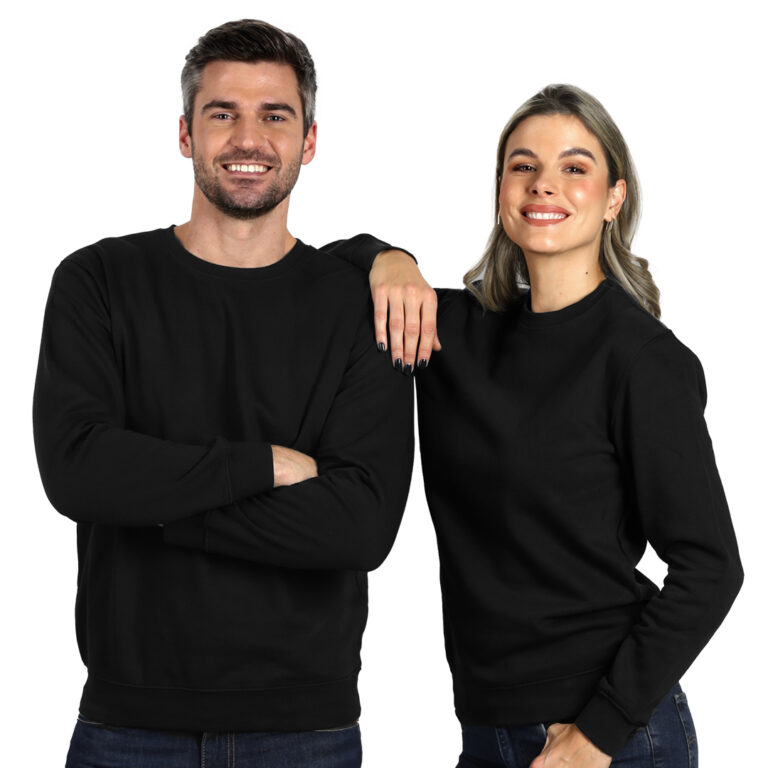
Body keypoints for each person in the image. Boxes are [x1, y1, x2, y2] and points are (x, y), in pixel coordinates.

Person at [32, 19, 413, 768]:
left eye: (275, 116)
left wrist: (155, 504)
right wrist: (264, 465)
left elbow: (360, 527)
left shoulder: (362, 303)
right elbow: (76, 470)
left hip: (305, 730)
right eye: (222, 114)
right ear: (185, 134)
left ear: (308, 141)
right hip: (128, 724)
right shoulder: (97, 281)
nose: (248, 139)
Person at [341, 84, 743, 767]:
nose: (543, 184)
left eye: (574, 167)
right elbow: (319, 271)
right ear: (500, 190)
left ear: (614, 198)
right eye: (523, 165)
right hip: (486, 727)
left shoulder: (641, 360)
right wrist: (390, 258)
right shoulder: (451, 333)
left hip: (609, 736)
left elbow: (711, 567)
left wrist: (598, 734)